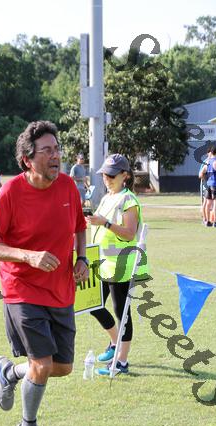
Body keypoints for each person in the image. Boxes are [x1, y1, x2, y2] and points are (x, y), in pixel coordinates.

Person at [0, 121, 88, 426]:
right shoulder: (10, 193)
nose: (56, 156)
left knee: (63, 367)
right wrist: (28, 256)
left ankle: (10, 372)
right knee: (41, 363)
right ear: (28, 159)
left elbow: (79, 226)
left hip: (61, 289)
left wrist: (82, 258)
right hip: (22, 289)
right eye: (47, 151)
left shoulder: (68, 186)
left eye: (57, 149)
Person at [86, 153, 149, 376]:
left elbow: (129, 233)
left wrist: (105, 223)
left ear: (125, 176)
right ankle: (115, 343)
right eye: (104, 174)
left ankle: (121, 362)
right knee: (92, 305)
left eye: (111, 175)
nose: (107, 179)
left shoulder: (128, 200)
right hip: (102, 264)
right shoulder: (106, 197)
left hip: (121, 265)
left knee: (122, 313)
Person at [199, 146, 216, 228]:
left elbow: (201, 174)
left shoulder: (207, 162)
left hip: (208, 185)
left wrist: (206, 179)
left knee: (208, 203)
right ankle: (215, 222)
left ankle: (207, 221)